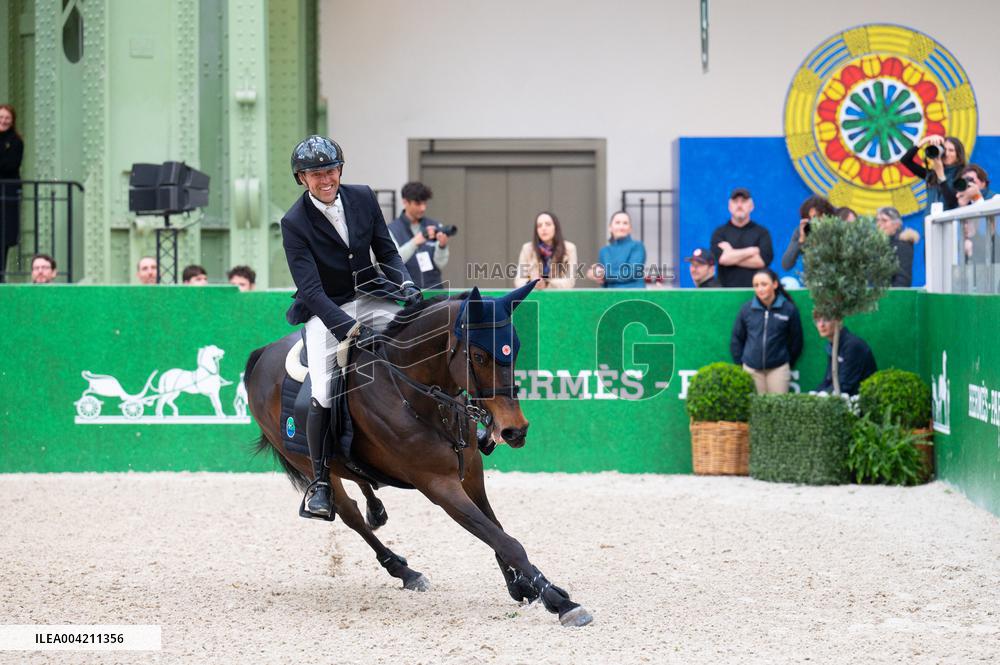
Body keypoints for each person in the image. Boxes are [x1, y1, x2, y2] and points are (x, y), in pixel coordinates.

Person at [281, 135, 418, 519]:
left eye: (330, 170)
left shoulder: (363, 197)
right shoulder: (293, 222)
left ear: (340, 170)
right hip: (327, 309)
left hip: (371, 295)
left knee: (422, 335)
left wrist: (405, 282)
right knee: (324, 390)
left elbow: (386, 250)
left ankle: (466, 424)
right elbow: (310, 290)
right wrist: (348, 328)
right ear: (302, 178)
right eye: (315, 174)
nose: (325, 179)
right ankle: (321, 483)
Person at [730, 267, 803, 394]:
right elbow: (737, 338)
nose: (760, 289)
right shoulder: (746, 309)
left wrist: (785, 361)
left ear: (775, 284)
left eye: (764, 284)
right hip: (751, 369)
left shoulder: (789, 309)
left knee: (778, 406)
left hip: (778, 369)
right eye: (756, 285)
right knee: (755, 406)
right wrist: (742, 363)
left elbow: (796, 340)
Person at [387, 181, 449, 290]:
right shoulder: (391, 230)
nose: (423, 208)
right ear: (405, 202)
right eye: (418, 204)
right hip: (407, 292)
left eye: (424, 203)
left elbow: (441, 264)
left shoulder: (435, 226)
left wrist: (442, 247)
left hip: (434, 292)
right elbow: (393, 262)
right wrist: (414, 242)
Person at [710, 188, 774, 287]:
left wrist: (730, 254)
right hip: (726, 292)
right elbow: (723, 259)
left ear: (752, 206)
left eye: (743, 201)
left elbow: (761, 262)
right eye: (735, 202)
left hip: (755, 293)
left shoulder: (762, 233)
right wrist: (752, 251)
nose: (739, 205)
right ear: (729, 206)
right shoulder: (719, 233)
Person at [812, 314, 876, 396]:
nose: (821, 325)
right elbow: (828, 380)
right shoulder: (831, 345)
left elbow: (845, 384)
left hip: (861, 399)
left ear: (839, 321)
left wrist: (823, 394)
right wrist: (814, 393)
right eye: (817, 321)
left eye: (826, 319)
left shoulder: (852, 345)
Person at [899, 135, 966, 213]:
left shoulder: (963, 174)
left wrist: (941, 175)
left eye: (951, 150)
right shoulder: (932, 175)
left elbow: (952, 202)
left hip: (949, 219)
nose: (946, 154)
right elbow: (905, 160)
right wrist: (925, 140)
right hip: (930, 219)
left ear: (958, 155)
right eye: (944, 150)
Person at [514, 211, 577, 289]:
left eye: (548, 224)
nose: (543, 228)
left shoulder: (569, 249)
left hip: (558, 295)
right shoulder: (527, 249)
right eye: (539, 226)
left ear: (555, 227)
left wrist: (546, 283)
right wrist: (532, 283)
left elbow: (570, 282)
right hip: (534, 294)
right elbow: (519, 280)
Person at [587, 211, 645, 288]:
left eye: (625, 223)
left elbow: (632, 272)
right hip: (610, 294)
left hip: (633, 293)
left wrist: (604, 274)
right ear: (610, 228)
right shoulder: (604, 251)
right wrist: (595, 274)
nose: (621, 227)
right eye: (617, 223)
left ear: (630, 229)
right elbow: (603, 281)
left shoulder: (637, 246)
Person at [0, 104, 24, 283]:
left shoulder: (16, 141)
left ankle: (1, 274)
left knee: (4, 235)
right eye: (1, 117)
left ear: (12, 120)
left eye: (7, 118)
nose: (3, 121)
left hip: (7, 193)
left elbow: (11, 165)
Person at [781, 195, 837, 271]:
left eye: (816, 217)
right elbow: (786, 264)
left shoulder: (837, 226)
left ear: (826, 214)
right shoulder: (803, 231)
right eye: (809, 219)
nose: (814, 222)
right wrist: (801, 240)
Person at [875, 207, 919, 287]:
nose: (879, 224)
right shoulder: (878, 243)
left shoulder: (902, 243)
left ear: (896, 224)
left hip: (892, 293)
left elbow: (902, 278)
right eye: (877, 220)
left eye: (884, 220)